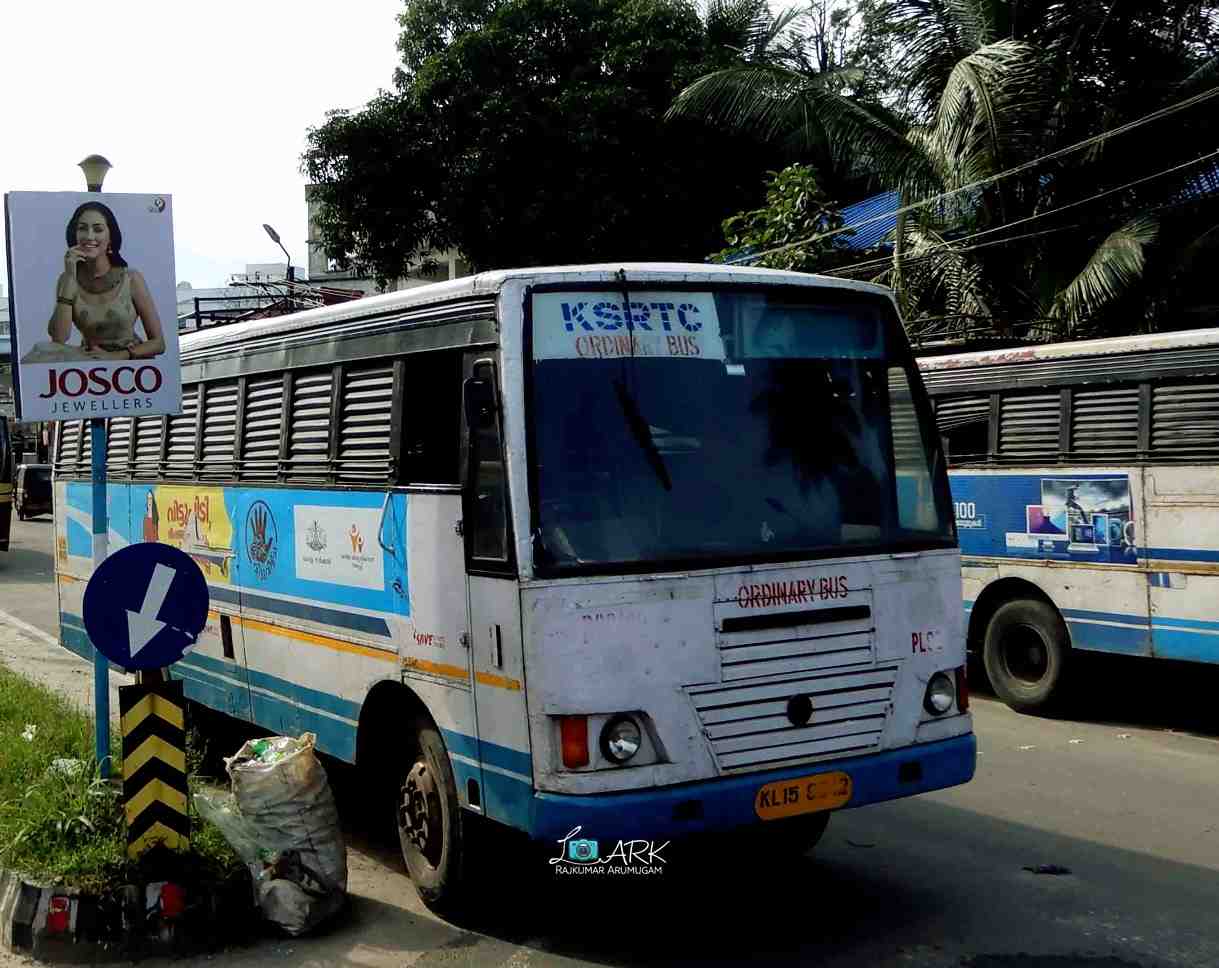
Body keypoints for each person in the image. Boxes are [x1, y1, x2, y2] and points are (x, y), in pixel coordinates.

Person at [19, 202, 166, 364]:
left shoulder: (131, 278)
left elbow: (158, 343)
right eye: (82, 228)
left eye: (98, 229)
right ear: (74, 234)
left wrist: (117, 356)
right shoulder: (67, 278)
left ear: (111, 237)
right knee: (41, 350)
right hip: (91, 362)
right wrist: (69, 276)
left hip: (128, 363)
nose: (89, 236)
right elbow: (59, 338)